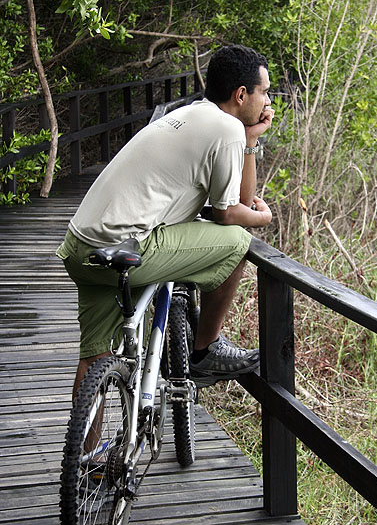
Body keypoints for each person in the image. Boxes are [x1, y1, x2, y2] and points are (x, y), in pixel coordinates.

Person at [56, 44, 274, 395]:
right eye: (264, 92)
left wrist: (249, 139)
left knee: (94, 359)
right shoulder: (226, 129)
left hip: (80, 247)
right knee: (238, 241)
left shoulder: (188, 114)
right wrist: (263, 218)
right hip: (128, 244)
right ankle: (206, 349)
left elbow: (235, 201)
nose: (267, 101)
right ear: (241, 94)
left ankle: (81, 452)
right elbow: (231, 212)